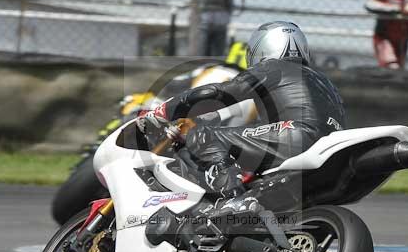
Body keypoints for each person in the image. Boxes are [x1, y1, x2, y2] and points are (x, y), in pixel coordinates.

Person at [138, 21, 347, 210]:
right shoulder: (323, 81)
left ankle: (233, 200)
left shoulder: (273, 68)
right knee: (221, 137)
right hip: (329, 147)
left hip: (298, 135)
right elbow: (256, 125)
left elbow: (219, 94)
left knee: (202, 135)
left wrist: (166, 110)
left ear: (262, 48)